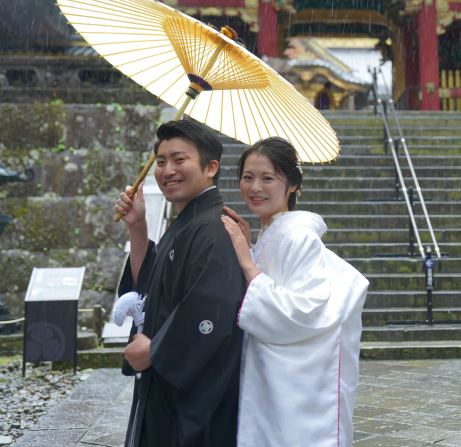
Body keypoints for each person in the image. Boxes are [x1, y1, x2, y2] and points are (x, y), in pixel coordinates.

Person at [221, 137, 368, 447]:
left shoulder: (299, 237)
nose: (255, 187)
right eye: (248, 177)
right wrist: (251, 248)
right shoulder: (271, 231)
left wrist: (248, 265)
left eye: (268, 178)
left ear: (292, 185)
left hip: (293, 390)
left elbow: (304, 310)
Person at [115, 119, 246, 447]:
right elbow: (150, 288)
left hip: (196, 398)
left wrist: (155, 351)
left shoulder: (215, 228)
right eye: (160, 161)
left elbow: (211, 311)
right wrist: (137, 226)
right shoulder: (188, 222)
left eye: (179, 159)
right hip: (169, 389)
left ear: (211, 167)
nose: (167, 169)